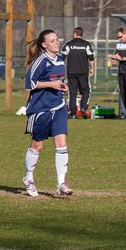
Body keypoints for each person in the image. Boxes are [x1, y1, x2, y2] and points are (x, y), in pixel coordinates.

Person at [21, 29, 72, 197]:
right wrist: (51, 85)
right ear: (44, 45)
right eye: (52, 40)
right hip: (40, 109)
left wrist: (62, 86)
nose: (56, 42)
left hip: (58, 108)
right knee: (38, 146)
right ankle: (28, 178)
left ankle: (61, 183)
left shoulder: (60, 60)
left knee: (61, 144)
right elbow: (30, 84)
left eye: (57, 39)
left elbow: (57, 81)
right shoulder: (40, 61)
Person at [61, 27, 95, 118]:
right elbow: (91, 58)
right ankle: (83, 107)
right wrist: (92, 68)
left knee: (72, 92)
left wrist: (60, 70)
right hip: (83, 72)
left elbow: (62, 58)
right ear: (81, 34)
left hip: (71, 72)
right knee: (85, 91)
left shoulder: (68, 45)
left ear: (74, 34)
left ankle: (72, 112)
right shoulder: (86, 45)